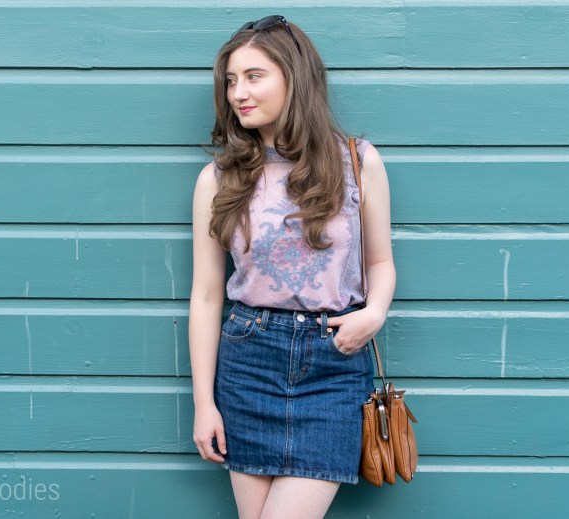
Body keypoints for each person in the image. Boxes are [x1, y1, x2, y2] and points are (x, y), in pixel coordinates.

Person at [189, 15, 396, 518]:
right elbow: (207, 295)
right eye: (231, 80)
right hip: (248, 364)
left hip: (333, 366)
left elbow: (381, 262)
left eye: (254, 76)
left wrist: (375, 314)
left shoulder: (357, 161)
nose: (239, 92)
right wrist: (203, 405)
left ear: (294, 76)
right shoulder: (218, 179)